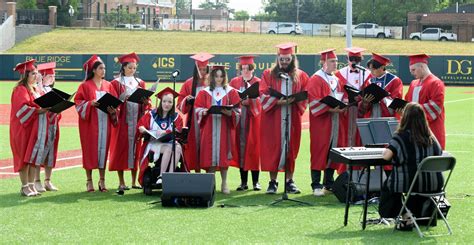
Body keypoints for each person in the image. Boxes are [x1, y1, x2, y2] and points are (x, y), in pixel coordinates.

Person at [379, 102, 444, 231]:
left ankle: (406, 216)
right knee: (408, 185)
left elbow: (386, 157)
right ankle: (421, 216)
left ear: (405, 118)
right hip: (434, 184)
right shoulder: (431, 137)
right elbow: (439, 152)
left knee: (389, 186)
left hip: (411, 183)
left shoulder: (401, 137)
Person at [259, 42, 309, 194]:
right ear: (278, 58)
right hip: (272, 118)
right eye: (282, 59)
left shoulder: (300, 75)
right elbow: (262, 93)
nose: (284, 62)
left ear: (292, 58)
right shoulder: (268, 74)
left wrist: (295, 100)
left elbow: (306, 94)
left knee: (291, 148)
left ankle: (289, 181)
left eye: (287, 59)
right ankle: (272, 182)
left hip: (292, 116)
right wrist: (277, 102)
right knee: (272, 148)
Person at [194, 65, 241, 194]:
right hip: (209, 127)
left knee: (223, 155)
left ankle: (224, 182)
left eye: (221, 76)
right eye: (216, 76)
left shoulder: (231, 92)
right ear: (212, 77)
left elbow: (238, 110)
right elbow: (197, 108)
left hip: (224, 128)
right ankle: (211, 183)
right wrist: (204, 111)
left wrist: (229, 113)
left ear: (225, 77)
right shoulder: (205, 92)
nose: (219, 79)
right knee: (209, 155)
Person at [307, 49, 348, 197]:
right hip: (322, 123)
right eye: (332, 61)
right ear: (323, 62)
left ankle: (329, 182)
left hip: (335, 122)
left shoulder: (336, 79)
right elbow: (313, 101)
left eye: (336, 61)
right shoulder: (316, 79)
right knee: (319, 151)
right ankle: (316, 184)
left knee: (333, 151)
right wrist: (330, 109)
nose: (335, 64)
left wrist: (344, 105)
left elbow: (343, 96)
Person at [74, 55, 118, 192]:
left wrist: (113, 110)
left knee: (103, 151)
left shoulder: (108, 85)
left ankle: (102, 180)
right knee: (89, 151)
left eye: (104, 68)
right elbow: (78, 103)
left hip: (105, 122)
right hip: (90, 124)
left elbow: (115, 102)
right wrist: (90, 104)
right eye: (100, 68)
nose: (103, 71)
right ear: (93, 70)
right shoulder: (85, 86)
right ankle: (89, 181)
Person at [109, 52, 150, 192]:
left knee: (136, 150)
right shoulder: (115, 83)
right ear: (124, 67)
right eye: (130, 67)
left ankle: (134, 181)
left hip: (137, 120)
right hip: (123, 122)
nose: (132, 70)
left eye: (134, 67)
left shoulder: (140, 83)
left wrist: (146, 102)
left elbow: (147, 105)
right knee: (121, 149)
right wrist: (122, 98)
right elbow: (112, 103)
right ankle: (121, 182)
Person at [10, 59, 47, 197]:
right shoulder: (20, 89)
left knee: (32, 158)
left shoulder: (36, 89)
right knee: (23, 158)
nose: (35, 76)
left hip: (34, 128)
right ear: (25, 75)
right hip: (22, 129)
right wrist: (38, 111)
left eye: (36, 73)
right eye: (33, 73)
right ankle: (24, 186)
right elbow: (22, 109)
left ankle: (31, 185)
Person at [137, 87, 183, 186]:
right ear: (160, 102)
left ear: (173, 103)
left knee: (178, 148)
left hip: (169, 143)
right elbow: (140, 125)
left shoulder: (176, 117)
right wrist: (143, 129)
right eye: (164, 101)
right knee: (169, 149)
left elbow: (179, 130)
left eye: (170, 102)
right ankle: (161, 176)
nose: (167, 104)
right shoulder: (151, 115)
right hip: (154, 143)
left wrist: (169, 132)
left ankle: (170, 175)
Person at [177, 53, 215, 172]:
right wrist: (187, 101)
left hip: (209, 120)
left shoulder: (212, 83)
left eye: (205, 69)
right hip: (193, 121)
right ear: (196, 68)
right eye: (200, 69)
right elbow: (180, 104)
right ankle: (197, 171)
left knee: (208, 146)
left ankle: (209, 173)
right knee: (195, 145)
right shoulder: (189, 83)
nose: (203, 72)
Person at [229, 55, 262, 191]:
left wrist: (252, 102)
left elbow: (263, 100)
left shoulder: (259, 82)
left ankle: (256, 182)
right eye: (243, 68)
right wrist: (240, 101)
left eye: (248, 68)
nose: (245, 71)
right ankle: (243, 182)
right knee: (241, 149)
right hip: (239, 121)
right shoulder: (234, 82)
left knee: (254, 149)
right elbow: (230, 98)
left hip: (254, 120)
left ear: (252, 69)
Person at [405, 54, 446, 149]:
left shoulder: (436, 83)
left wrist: (412, 112)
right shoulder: (413, 83)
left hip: (431, 129)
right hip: (414, 129)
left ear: (422, 66)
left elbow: (435, 106)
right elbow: (407, 102)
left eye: (413, 70)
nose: (411, 73)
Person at [335, 47, 370, 147]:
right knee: (344, 136)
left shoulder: (367, 75)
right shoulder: (339, 74)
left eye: (357, 59)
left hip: (360, 111)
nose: (354, 62)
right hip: (345, 111)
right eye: (351, 59)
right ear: (347, 59)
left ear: (361, 60)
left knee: (359, 136)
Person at [34, 62, 60, 192]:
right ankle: (36, 180)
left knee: (51, 153)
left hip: (53, 124)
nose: (52, 78)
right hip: (43, 125)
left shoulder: (51, 90)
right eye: (50, 75)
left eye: (53, 76)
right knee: (40, 153)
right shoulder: (38, 89)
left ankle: (48, 181)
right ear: (42, 76)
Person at [359, 53, 403, 119]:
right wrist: (365, 102)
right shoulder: (369, 81)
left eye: (374, 69)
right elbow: (363, 103)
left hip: (387, 117)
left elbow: (397, 102)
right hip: (372, 116)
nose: (371, 72)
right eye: (370, 69)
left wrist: (383, 99)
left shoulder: (394, 80)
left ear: (382, 67)